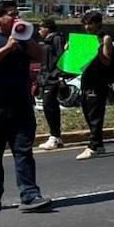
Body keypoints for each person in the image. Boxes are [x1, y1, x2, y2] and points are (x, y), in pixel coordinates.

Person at [0, 1, 51, 213]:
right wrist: (7, 47)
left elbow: (40, 56)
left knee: (24, 152)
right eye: (11, 15)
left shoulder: (22, 37)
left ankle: (30, 195)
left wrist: (27, 37)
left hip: (20, 105)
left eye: (17, 14)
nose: (15, 18)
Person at [75, 11, 114, 160]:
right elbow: (78, 63)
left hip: (98, 82)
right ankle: (99, 145)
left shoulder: (104, 38)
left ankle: (93, 146)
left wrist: (97, 50)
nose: (87, 27)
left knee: (95, 116)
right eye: (85, 23)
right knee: (88, 114)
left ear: (98, 23)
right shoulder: (85, 39)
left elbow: (107, 61)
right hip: (86, 81)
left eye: (90, 23)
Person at [36, 18, 66, 150]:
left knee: (49, 106)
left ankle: (54, 136)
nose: (39, 31)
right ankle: (57, 137)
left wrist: (56, 76)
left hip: (52, 79)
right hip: (46, 78)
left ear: (47, 28)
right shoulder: (46, 42)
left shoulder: (56, 39)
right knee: (50, 106)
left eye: (40, 28)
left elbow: (60, 59)